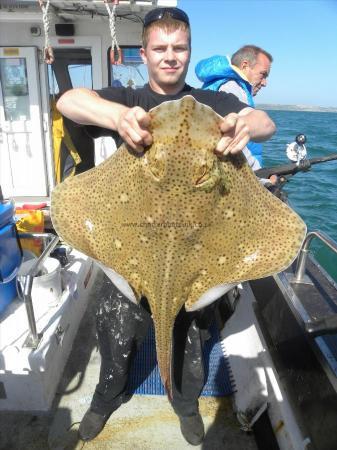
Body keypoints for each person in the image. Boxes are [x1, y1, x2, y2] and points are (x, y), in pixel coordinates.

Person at [56, 7, 276, 446]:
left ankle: (185, 403)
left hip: (198, 251)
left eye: (180, 48)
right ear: (146, 52)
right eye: (161, 48)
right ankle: (104, 398)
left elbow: (266, 123)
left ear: (189, 51)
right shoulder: (130, 100)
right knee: (115, 333)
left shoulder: (215, 104)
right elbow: (67, 102)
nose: (170, 56)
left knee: (193, 346)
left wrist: (246, 122)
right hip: (130, 249)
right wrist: (116, 118)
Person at [195, 45, 273, 172]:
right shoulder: (232, 88)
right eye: (263, 74)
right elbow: (235, 141)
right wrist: (262, 179)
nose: (265, 82)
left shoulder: (221, 85)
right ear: (244, 66)